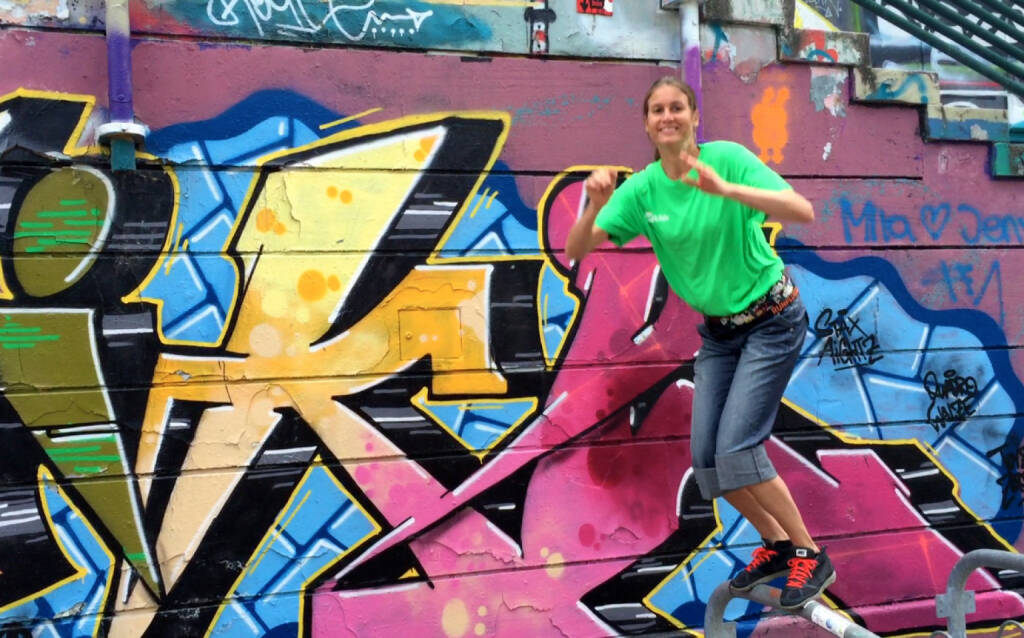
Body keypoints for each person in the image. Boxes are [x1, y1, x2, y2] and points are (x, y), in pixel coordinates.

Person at [565, 76, 835, 609]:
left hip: (772, 319)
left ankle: (810, 553)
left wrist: (727, 191)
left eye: (677, 108)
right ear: (647, 125)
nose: (668, 117)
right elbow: (577, 248)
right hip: (720, 335)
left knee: (738, 449)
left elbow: (800, 209)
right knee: (709, 462)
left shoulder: (726, 160)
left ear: (693, 116)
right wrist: (593, 205)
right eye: (657, 110)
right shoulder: (643, 191)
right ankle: (777, 546)